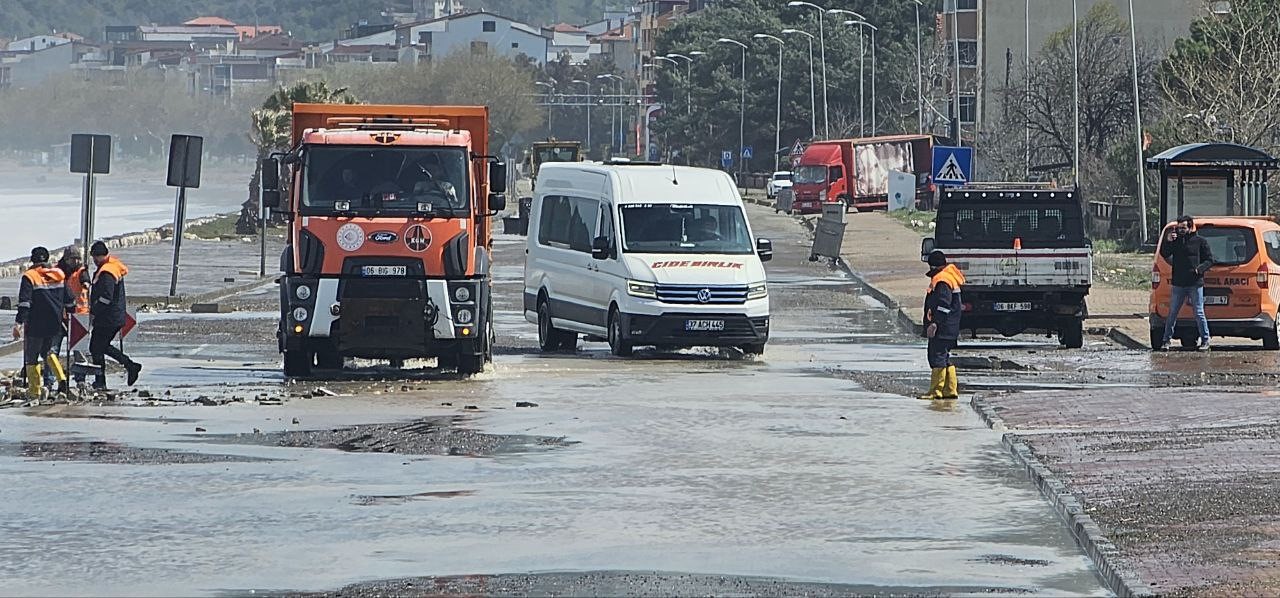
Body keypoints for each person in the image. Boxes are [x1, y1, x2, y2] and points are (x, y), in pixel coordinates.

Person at [12, 247, 70, 400]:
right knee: (48, 352)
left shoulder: (30, 276)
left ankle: (34, 391)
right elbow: (70, 300)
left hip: (36, 323)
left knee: (32, 357)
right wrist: (69, 315)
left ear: (32, 260)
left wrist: (18, 323)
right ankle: (62, 381)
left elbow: (25, 303)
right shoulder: (59, 275)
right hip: (54, 323)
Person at [88, 241, 142, 389]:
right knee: (101, 347)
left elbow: (106, 297)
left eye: (94, 257)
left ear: (98, 256)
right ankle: (129, 366)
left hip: (107, 318)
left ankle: (102, 380)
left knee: (96, 348)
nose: (93, 260)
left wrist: (94, 311)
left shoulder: (107, 272)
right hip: (114, 316)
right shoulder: (113, 266)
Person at [1159, 215, 1215, 351]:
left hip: (1195, 283)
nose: (1181, 230)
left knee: (1199, 312)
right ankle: (1166, 340)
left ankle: (1205, 340)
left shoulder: (1200, 241)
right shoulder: (1176, 241)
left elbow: (1209, 260)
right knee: (1172, 312)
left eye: (1183, 228)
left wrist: (1199, 269)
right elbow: (1164, 254)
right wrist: (1167, 241)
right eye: (1179, 228)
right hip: (1178, 283)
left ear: (1190, 227)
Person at [920, 250, 965, 400]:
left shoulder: (942, 280)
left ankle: (936, 391)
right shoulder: (950, 276)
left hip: (943, 327)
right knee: (945, 358)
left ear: (933, 266)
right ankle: (950, 390)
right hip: (951, 326)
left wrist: (934, 324)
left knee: (937, 357)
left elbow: (943, 306)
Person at [57, 248, 91, 386]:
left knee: (79, 350)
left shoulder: (81, 271)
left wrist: (86, 284)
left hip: (80, 315)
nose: (76, 261)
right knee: (54, 349)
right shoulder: (57, 272)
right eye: (73, 259)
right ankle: (57, 379)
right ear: (66, 259)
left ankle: (80, 380)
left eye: (78, 258)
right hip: (61, 315)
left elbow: (85, 280)